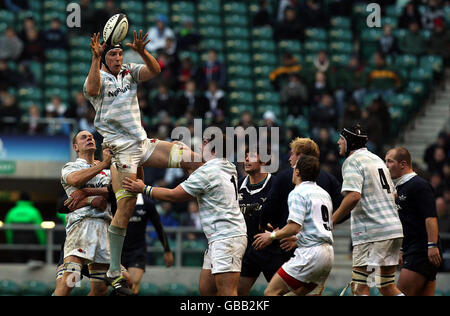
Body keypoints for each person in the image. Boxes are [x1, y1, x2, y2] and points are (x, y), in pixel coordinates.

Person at [84, 31, 201, 294]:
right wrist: (94, 59)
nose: (117, 58)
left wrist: (143, 51)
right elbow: (91, 90)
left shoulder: (129, 70)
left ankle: (211, 209)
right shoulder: (97, 77)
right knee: (125, 208)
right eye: (112, 54)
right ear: (103, 58)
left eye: (119, 53)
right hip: (121, 150)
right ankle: (114, 268)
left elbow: (155, 71)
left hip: (143, 144)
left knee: (194, 159)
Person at [122, 135, 247, 296]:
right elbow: (198, 170)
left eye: (205, 142)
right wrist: (185, 151)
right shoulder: (227, 165)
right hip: (220, 237)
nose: (201, 145)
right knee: (206, 289)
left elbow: (174, 195)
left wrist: (143, 188)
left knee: (227, 292)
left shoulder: (209, 171)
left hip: (227, 237)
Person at [332, 124, 405, 296]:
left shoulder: (352, 161)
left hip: (372, 233)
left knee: (359, 287)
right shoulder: (377, 160)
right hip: (392, 229)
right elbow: (394, 195)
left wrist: (332, 220)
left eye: (341, 139)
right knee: (386, 287)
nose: (338, 142)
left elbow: (353, 196)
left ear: (349, 142)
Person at [253, 155, 334, 296]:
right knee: (298, 293)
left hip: (310, 254)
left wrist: (271, 236)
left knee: (271, 292)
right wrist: (299, 238)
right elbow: (320, 227)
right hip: (328, 255)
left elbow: (293, 227)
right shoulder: (324, 194)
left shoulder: (298, 192)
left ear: (297, 172)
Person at [54, 130, 113, 296]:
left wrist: (86, 192)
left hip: (104, 228)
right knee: (70, 281)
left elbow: (116, 190)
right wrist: (102, 164)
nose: (89, 138)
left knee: (101, 290)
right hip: (81, 227)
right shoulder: (70, 167)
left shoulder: (108, 172)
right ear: (75, 147)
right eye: (84, 137)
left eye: (92, 137)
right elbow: (75, 180)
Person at [385, 147, 442, 296]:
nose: (386, 166)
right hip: (413, 249)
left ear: (403, 164)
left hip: (422, 250)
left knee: (399, 292)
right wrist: (402, 249)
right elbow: (406, 221)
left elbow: (430, 217)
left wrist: (432, 245)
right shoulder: (398, 187)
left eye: (390, 161)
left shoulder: (419, 185)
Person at [259, 137, 343, 236]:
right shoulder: (330, 179)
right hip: (318, 240)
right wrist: (328, 225)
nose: (290, 158)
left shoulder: (284, 177)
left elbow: (270, 206)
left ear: (301, 156)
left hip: (286, 239)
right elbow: (344, 209)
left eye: (292, 154)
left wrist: (263, 224)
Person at [237, 148, 282, 296]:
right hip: (248, 250)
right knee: (236, 293)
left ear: (263, 160)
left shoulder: (277, 185)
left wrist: (276, 234)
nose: (246, 160)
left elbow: (291, 215)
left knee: (280, 293)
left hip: (273, 249)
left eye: (251, 157)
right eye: (245, 157)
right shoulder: (237, 186)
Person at [4, 192, 46, 263]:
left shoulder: (12, 212)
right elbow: (39, 230)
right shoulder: (34, 211)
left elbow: (8, 231)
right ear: (29, 200)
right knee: (33, 266)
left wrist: (11, 243)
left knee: (18, 264)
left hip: (16, 243)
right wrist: (42, 243)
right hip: (32, 245)